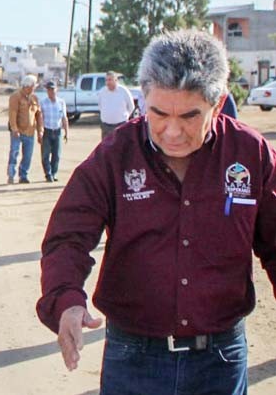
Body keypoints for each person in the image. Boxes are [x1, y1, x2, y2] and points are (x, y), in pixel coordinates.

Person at [36, 29, 276, 395]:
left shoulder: (250, 154)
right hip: (133, 358)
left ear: (219, 102)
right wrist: (66, 299)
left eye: (191, 116)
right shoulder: (115, 155)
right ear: (142, 98)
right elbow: (68, 236)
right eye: (159, 113)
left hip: (220, 362)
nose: (172, 131)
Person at [7, 75, 43, 184]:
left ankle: (23, 175)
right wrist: (14, 129)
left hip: (30, 132)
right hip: (18, 131)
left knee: (28, 155)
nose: (34, 88)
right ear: (28, 86)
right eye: (33, 86)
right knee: (14, 153)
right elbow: (12, 113)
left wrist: (40, 130)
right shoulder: (15, 96)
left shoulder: (34, 98)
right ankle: (11, 175)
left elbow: (39, 115)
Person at [39, 80, 68, 182]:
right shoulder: (43, 103)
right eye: (49, 90)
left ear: (57, 90)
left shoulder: (61, 102)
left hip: (57, 131)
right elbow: (41, 118)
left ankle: (54, 173)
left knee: (57, 154)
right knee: (45, 154)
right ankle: (48, 173)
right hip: (47, 130)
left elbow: (64, 118)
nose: (51, 91)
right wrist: (40, 131)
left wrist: (67, 132)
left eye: (52, 89)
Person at [97, 71, 134, 139]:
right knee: (106, 149)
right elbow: (100, 106)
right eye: (106, 80)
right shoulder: (102, 92)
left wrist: (125, 117)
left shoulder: (124, 91)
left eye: (110, 80)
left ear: (116, 80)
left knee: (121, 148)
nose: (108, 82)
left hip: (121, 126)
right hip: (106, 127)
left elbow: (131, 106)